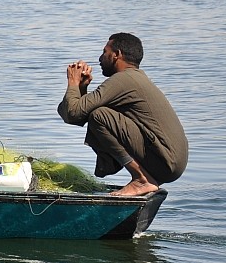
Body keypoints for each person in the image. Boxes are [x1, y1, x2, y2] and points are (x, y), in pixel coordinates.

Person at [58, 33, 188, 197]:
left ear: (116, 55)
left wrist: (72, 82)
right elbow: (77, 116)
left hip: (166, 160)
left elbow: (72, 113)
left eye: (104, 52)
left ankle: (141, 180)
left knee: (100, 116)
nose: (100, 58)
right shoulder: (131, 79)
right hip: (169, 163)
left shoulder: (123, 80)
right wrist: (81, 88)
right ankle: (144, 179)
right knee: (99, 114)